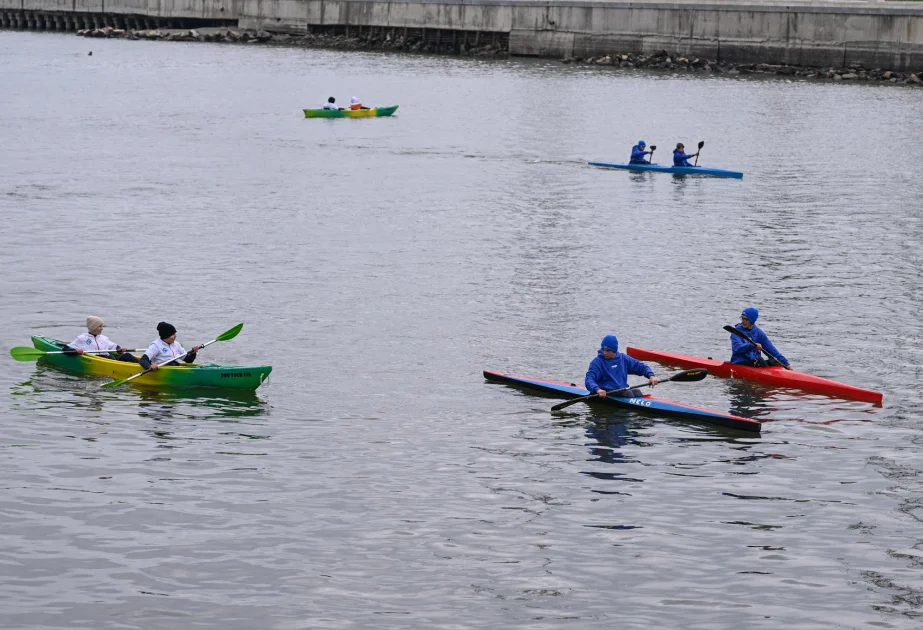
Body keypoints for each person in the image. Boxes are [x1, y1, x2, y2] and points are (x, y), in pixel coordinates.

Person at [585, 334, 659, 397]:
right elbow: (589, 379)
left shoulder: (623, 358)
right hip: (606, 392)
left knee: (637, 392)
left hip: (621, 391)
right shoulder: (597, 362)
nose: (604, 353)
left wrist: (651, 376)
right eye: (603, 349)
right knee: (629, 394)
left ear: (614, 350)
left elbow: (640, 366)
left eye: (607, 350)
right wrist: (597, 389)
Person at [60, 316, 138, 362]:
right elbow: (66, 349)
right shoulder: (82, 338)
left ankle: (145, 365)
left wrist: (120, 349)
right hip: (96, 360)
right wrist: (76, 351)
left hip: (109, 359)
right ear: (93, 327)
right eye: (100, 326)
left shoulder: (104, 338)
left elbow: (113, 346)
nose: (102, 329)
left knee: (127, 355)